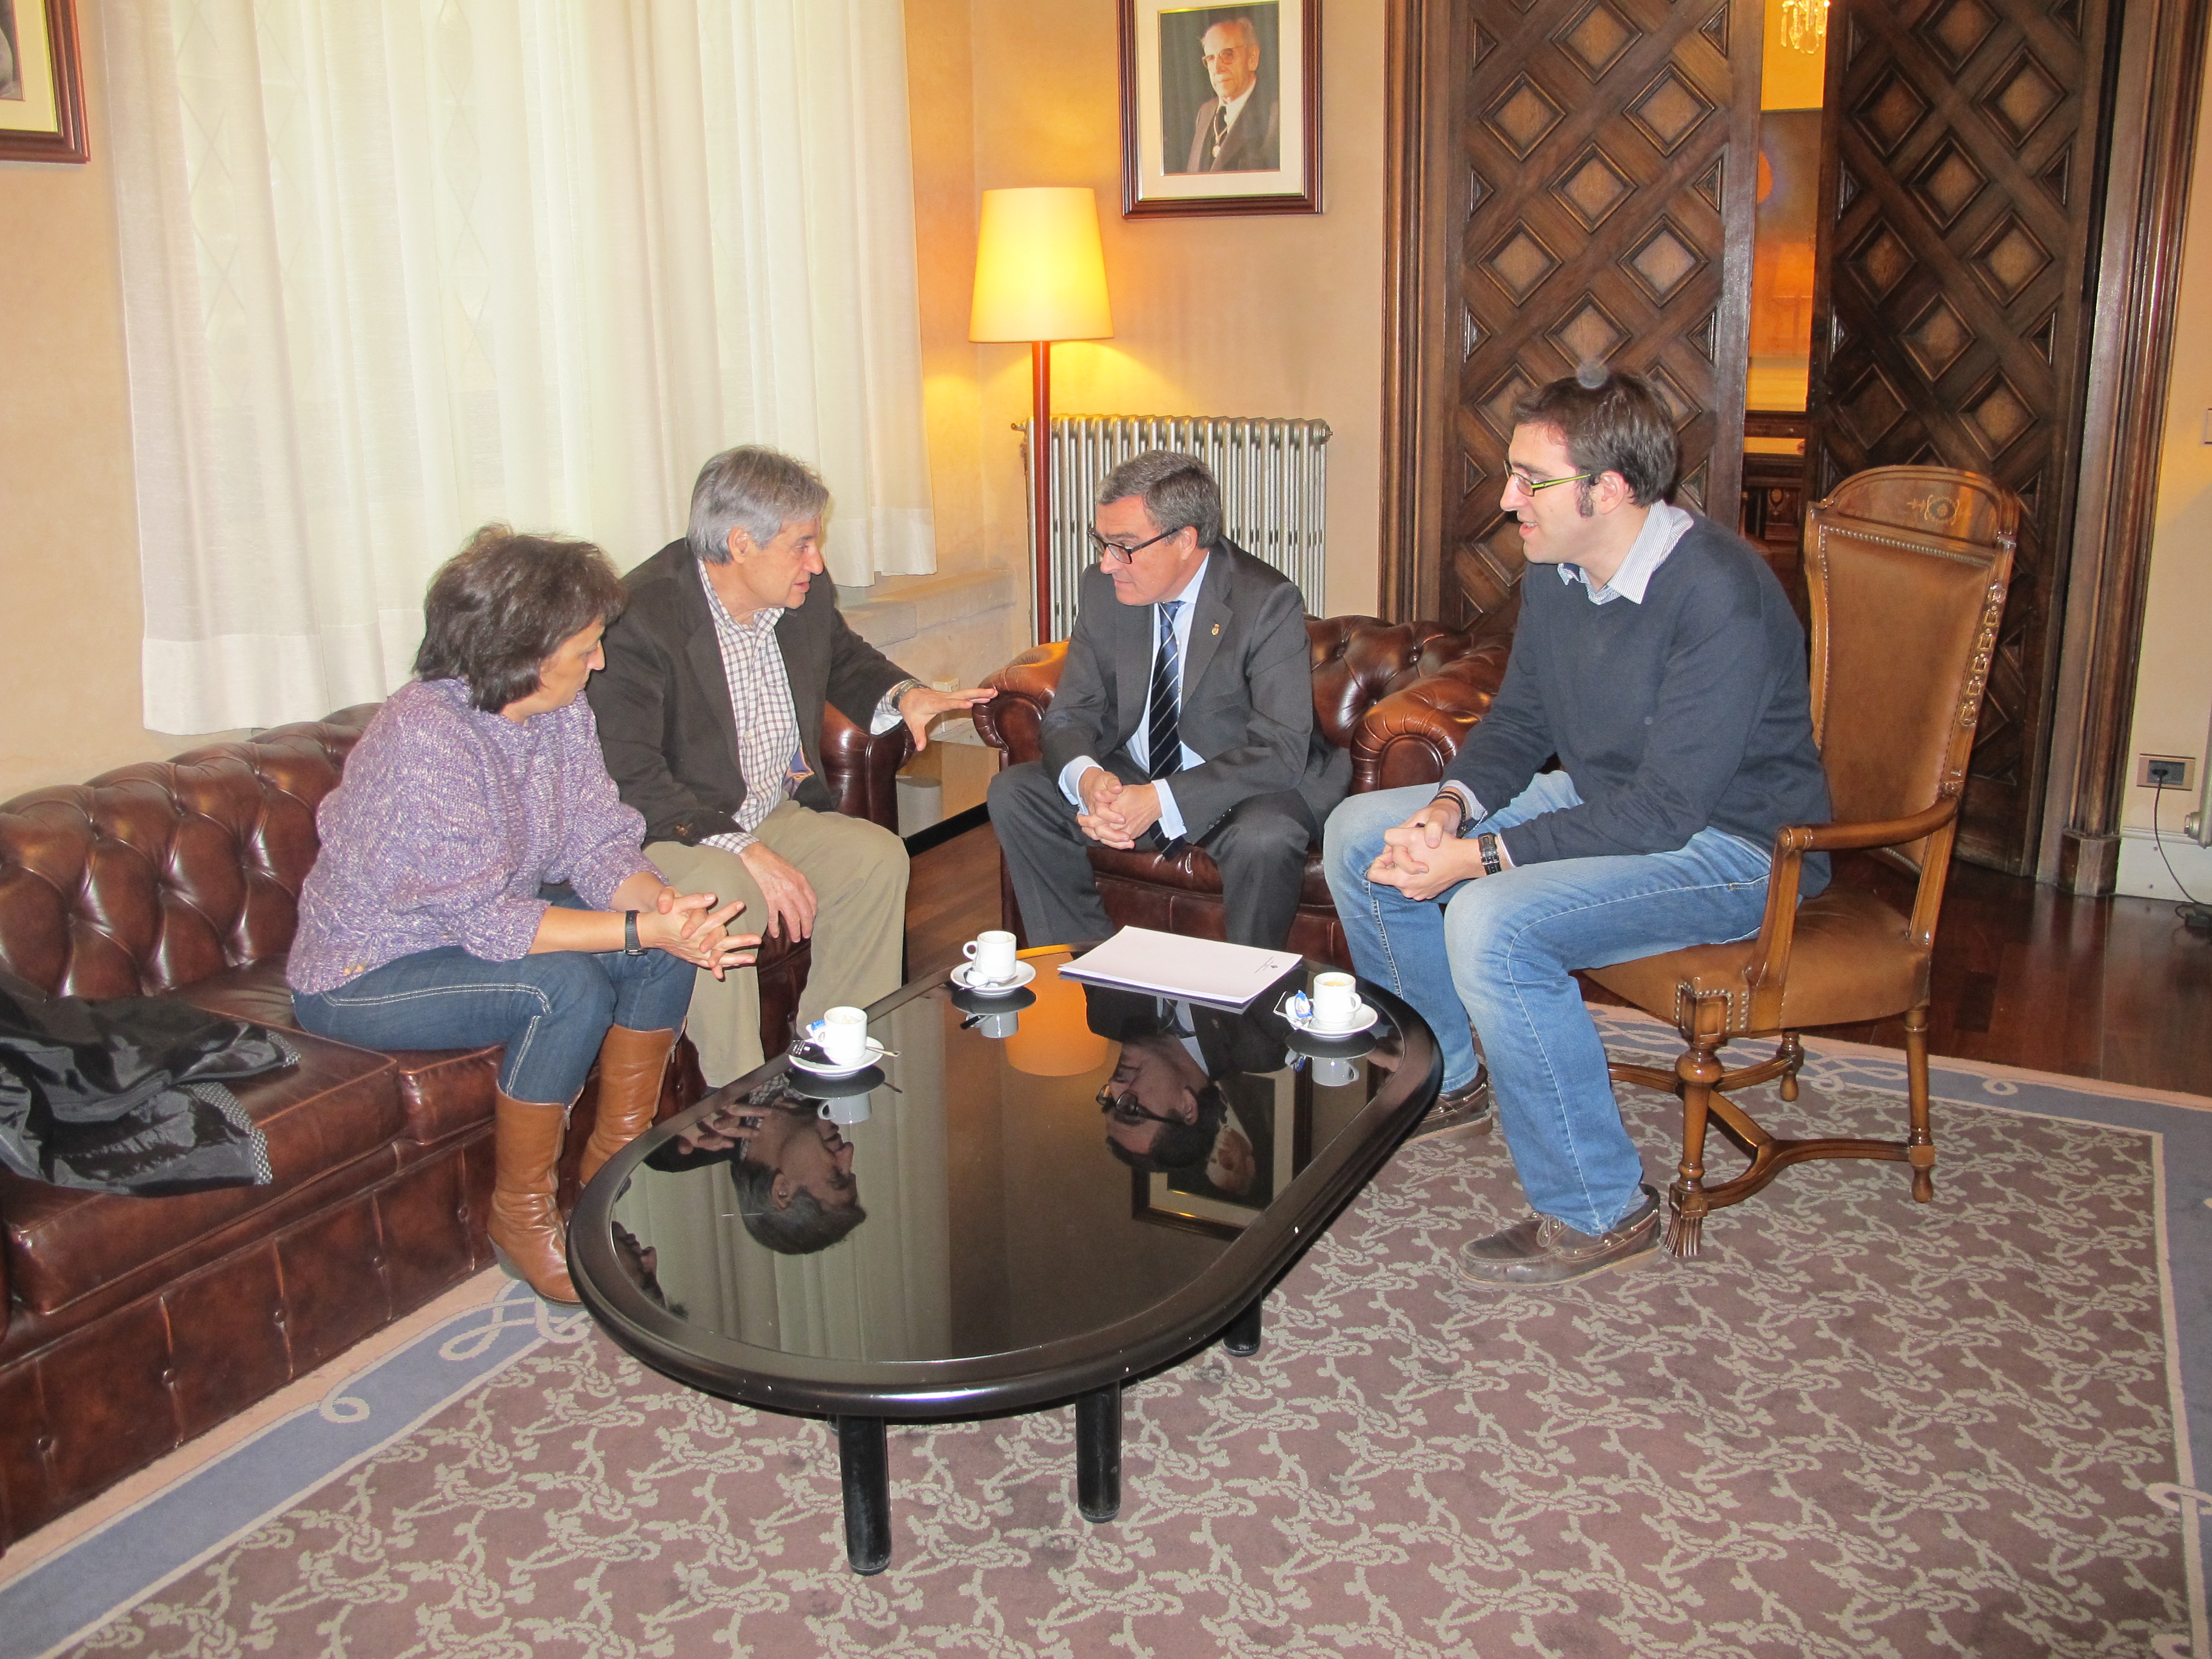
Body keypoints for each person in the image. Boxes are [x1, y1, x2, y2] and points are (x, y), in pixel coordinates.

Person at [1321, 367, 1832, 1288]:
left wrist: (1478, 859)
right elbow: (1522, 723)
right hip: (1612, 799)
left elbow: (1666, 810)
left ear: (1611, 489)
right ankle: (1448, 1078)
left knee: (1493, 923)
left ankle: (1599, 1208)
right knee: (1363, 833)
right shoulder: (1559, 571)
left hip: (1738, 845)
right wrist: (1446, 811)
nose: (1506, 498)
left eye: (1532, 480)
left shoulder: (1718, 593)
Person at [290, 526, 756, 1305]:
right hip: (365, 969)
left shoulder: (560, 711)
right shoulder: (425, 736)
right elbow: (490, 923)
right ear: (523, 654)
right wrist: (643, 927)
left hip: (470, 928)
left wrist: (663, 907)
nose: (599, 661)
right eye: (586, 647)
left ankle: (614, 1181)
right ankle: (521, 1218)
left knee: (659, 951)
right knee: (564, 988)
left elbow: (597, 840)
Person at [588, 446, 991, 1089]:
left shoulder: (802, 593)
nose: (817, 562)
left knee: (875, 857)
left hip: (768, 808)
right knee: (723, 895)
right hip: (672, 829)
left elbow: (844, 657)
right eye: (802, 545)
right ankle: (740, 1096)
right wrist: (745, 849)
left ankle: (834, 1052)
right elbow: (631, 778)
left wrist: (905, 694)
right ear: (740, 543)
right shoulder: (640, 619)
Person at [989, 451, 1346, 953]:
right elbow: (1071, 713)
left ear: (1184, 540)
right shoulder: (1103, 590)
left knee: (1264, 839)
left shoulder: (1266, 601)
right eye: (1102, 542)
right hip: (1137, 771)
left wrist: (1159, 800)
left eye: (1124, 546)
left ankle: (1247, 996)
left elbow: (1280, 748)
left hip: (1242, 784)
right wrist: (1089, 781)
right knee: (1016, 793)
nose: (1107, 563)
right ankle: (1089, 973)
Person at [645, 1078, 867, 1255]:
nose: (848, 1152)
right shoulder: (835, 1079)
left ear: (782, 1191)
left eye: (836, 1176)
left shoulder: (672, 1146)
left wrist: (679, 1111)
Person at [1181, 15, 1279, 173]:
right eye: (1211, 58)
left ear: (1252, 58)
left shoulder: (1276, 115)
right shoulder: (1205, 112)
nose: (1217, 68)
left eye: (1227, 55)